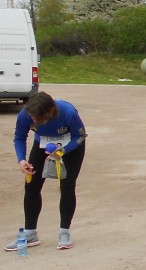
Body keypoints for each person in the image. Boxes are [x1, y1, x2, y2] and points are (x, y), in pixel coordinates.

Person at [6, 92, 87, 251]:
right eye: (32, 117)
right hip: (42, 145)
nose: (34, 121)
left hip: (70, 146)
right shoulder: (26, 114)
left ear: (50, 111)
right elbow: (19, 137)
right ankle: (30, 233)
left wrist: (62, 151)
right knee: (31, 186)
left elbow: (80, 136)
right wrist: (22, 160)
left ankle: (64, 232)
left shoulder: (68, 113)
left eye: (38, 117)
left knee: (67, 186)